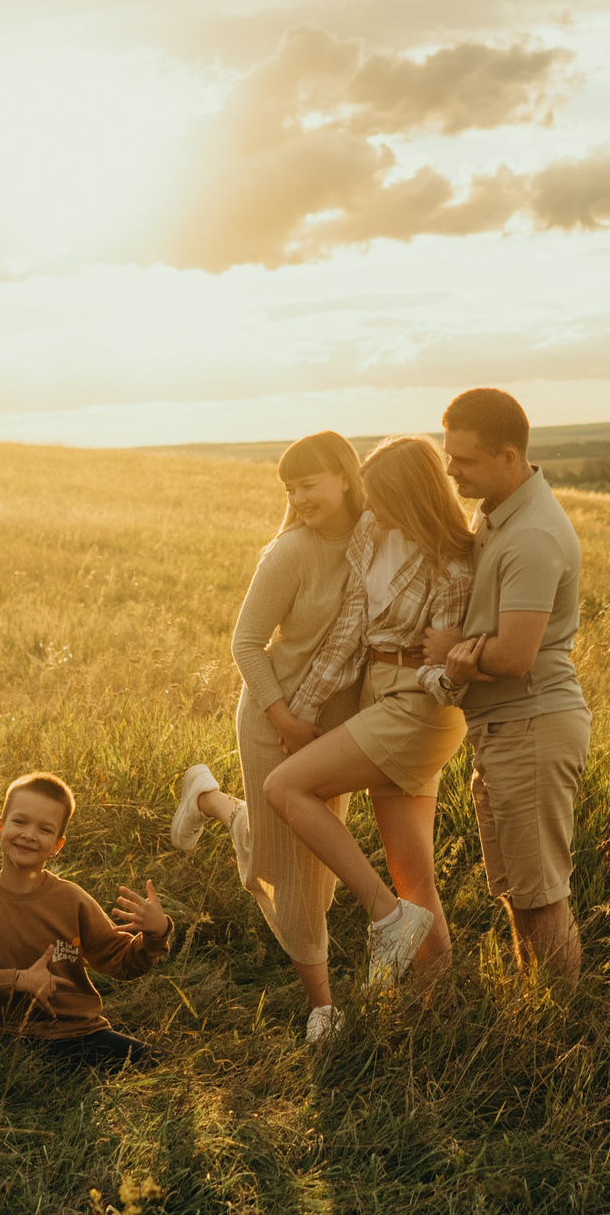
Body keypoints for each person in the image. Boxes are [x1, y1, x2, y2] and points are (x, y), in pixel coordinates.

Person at [165, 432, 368, 1044]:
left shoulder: (373, 542)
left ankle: (208, 798)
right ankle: (323, 1010)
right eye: (289, 488)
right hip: (271, 721)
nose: (299, 497)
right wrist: (283, 718)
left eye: (309, 483)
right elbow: (245, 644)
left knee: (312, 866)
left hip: (335, 728)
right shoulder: (291, 552)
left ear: (345, 476)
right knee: (297, 876)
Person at [255, 434, 474, 997]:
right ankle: (437, 1003)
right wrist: (298, 715)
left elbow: (450, 675)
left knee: (284, 789)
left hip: (421, 705)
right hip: (377, 694)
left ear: (411, 494)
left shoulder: (453, 559)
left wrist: (446, 665)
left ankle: (385, 915)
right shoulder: (369, 538)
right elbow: (348, 637)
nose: (369, 505)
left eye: (381, 495)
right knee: (411, 870)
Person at [423, 388, 591, 982]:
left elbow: (517, 655)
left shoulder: (532, 536)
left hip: (532, 725)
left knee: (541, 894)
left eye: (463, 460)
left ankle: (565, 1030)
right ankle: (539, 1013)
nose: (450, 470)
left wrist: (449, 652)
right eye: (449, 455)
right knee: (520, 889)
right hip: (502, 727)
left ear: (508, 457)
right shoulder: (497, 513)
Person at [0, 772, 173, 1068]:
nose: (29, 835)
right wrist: (19, 981)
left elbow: (121, 962)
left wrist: (156, 934)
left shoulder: (72, 899)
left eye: (44, 829)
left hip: (80, 1036)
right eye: (20, 822)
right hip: (1, 1037)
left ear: (57, 845)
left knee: (160, 1062)